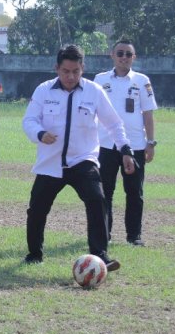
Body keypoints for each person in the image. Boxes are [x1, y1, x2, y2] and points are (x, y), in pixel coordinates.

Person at [22, 44, 134, 271]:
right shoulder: (43, 90)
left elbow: (113, 123)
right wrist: (40, 134)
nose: (71, 76)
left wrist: (126, 150)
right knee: (36, 210)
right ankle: (34, 254)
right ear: (57, 68)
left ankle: (100, 255)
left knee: (97, 200)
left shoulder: (94, 91)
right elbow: (29, 121)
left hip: (83, 161)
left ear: (83, 68)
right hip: (50, 163)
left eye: (76, 71)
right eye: (66, 71)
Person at [94, 40, 157, 246]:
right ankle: (105, 235)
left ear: (134, 57)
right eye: (120, 53)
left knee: (134, 193)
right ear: (112, 55)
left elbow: (148, 114)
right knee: (105, 192)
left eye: (128, 54)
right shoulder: (100, 79)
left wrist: (150, 142)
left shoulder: (141, 81)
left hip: (135, 145)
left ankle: (134, 236)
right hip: (105, 145)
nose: (124, 57)